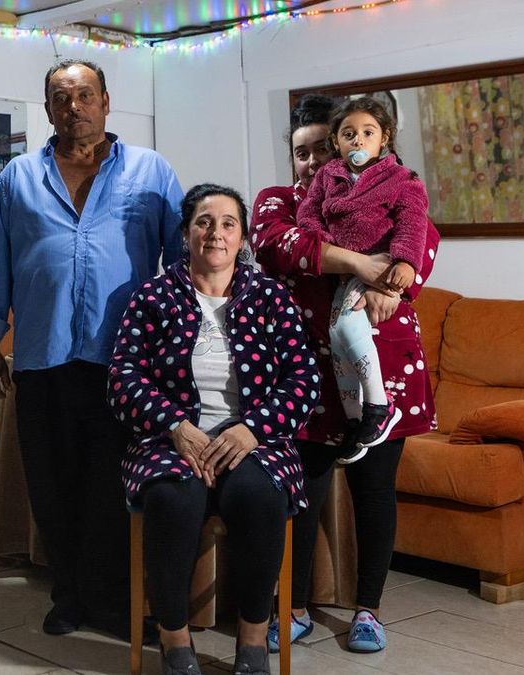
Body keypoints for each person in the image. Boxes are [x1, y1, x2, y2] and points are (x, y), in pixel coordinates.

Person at [0, 60, 184, 641]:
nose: (74, 107)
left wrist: (189, 344)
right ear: (47, 109)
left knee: (112, 485)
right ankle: (67, 595)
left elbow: (183, 262)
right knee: (53, 483)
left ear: (107, 102)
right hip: (42, 358)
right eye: (61, 98)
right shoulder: (17, 177)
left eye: (84, 95)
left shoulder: (151, 171)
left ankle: (113, 600)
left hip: (127, 362)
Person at [251, 94, 440, 654]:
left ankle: (369, 610)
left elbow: (423, 241)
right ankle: (300, 607)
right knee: (303, 490)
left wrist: (397, 279)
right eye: (300, 153)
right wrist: (364, 266)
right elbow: (279, 248)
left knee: (375, 490)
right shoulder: (278, 201)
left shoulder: (389, 187)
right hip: (305, 369)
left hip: (386, 362)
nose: (310, 163)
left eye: (319, 149)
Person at [109, 184, 319, 675]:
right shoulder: (154, 296)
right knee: (171, 499)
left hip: (254, 441)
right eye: (204, 222)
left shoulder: (270, 296)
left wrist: (253, 430)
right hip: (171, 441)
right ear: (185, 233)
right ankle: (174, 641)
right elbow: (123, 377)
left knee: (259, 497)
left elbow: (303, 378)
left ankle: (251, 640)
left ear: (242, 236)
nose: (216, 233)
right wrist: (176, 427)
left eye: (228, 223)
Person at [295, 97, 430, 463]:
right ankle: (360, 422)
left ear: (383, 138)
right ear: (338, 143)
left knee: (348, 332)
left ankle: (379, 407)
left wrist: (404, 264)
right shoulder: (329, 177)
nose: (358, 140)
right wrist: (326, 245)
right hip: (346, 270)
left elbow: (414, 224)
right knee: (340, 343)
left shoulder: (401, 178)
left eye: (367, 133)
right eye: (349, 134)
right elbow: (308, 217)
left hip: (379, 264)